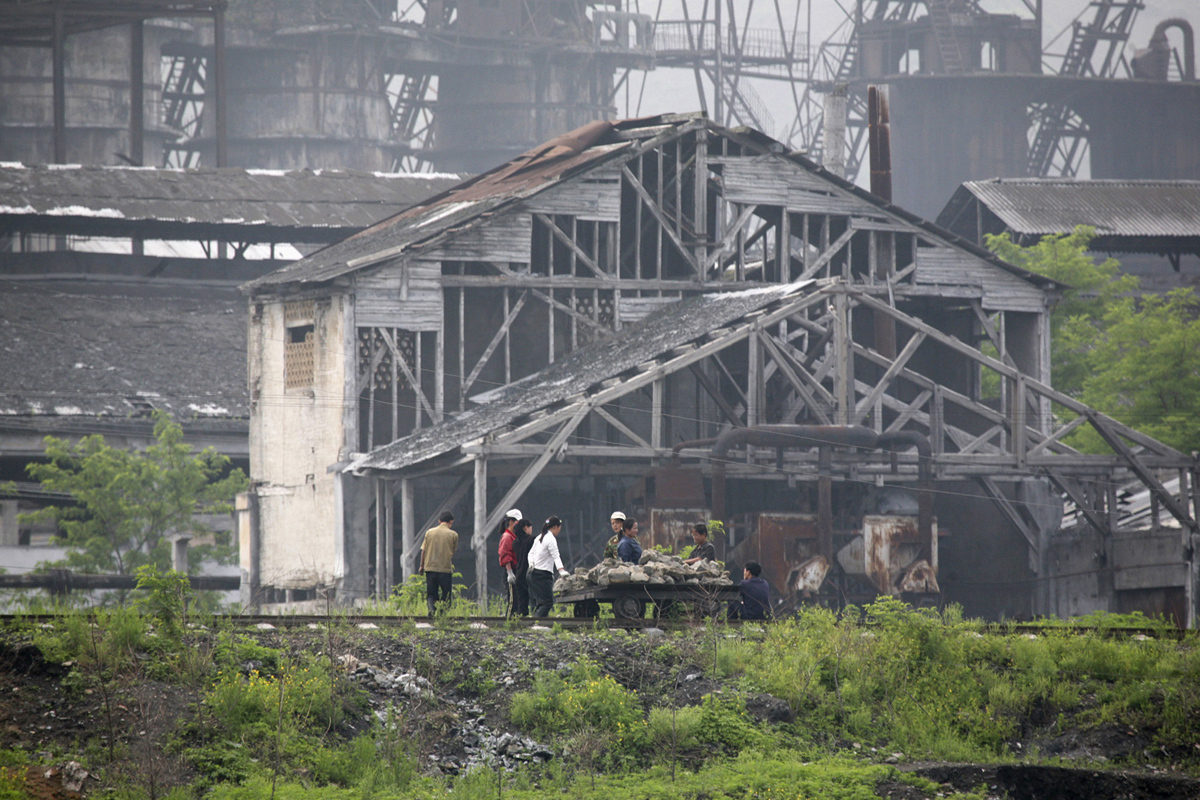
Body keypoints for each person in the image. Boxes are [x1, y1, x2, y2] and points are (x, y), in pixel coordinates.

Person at [527, 515, 569, 617]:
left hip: (531, 574)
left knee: (538, 603)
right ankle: (535, 623)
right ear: (555, 527)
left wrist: (531, 563)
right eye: (559, 527)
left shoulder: (539, 537)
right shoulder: (550, 539)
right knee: (547, 603)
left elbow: (530, 554)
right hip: (542, 575)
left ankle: (536, 622)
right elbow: (556, 555)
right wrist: (561, 570)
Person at [419, 510, 458, 616]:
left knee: (431, 593)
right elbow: (452, 552)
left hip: (430, 568)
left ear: (439, 521)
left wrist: (422, 566)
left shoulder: (429, 532)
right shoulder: (453, 534)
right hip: (445, 569)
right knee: (446, 594)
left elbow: (424, 551)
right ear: (451, 521)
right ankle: (442, 614)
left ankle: (431, 610)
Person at [496, 508, 522, 613]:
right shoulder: (507, 537)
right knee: (512, 600)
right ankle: (509, 621)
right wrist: (510, 572)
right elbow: (505, 555)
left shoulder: (513, 536)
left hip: (516, 570)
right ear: (511, 522)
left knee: (517, 599)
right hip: (510, 571)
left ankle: (514, 620)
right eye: (517, 522)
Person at [511, 518, 535, 616]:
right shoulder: (532, 540)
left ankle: (522, 620)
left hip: (519, 572)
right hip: (530, 573)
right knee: (534, 598)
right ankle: (537, 617)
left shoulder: (515, 543)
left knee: (522, 602)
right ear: (526, 527)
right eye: (530, 527)